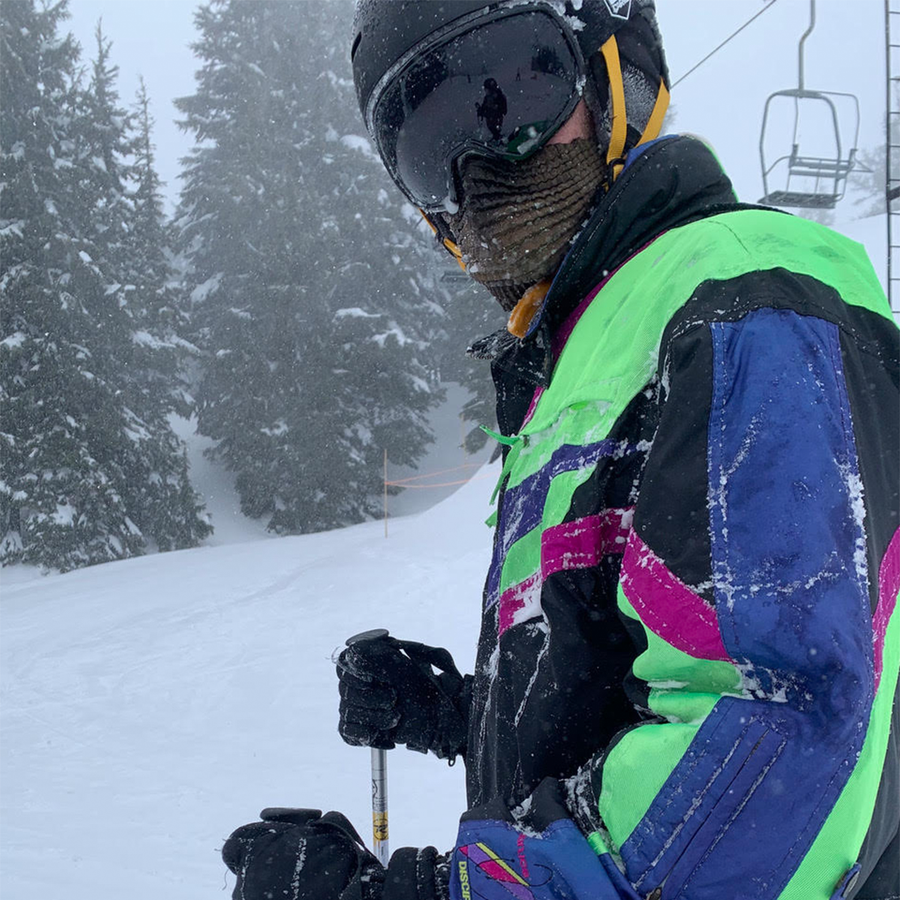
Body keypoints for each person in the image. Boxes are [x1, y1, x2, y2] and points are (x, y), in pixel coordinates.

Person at [222, 2, 900, 898]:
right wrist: (459, 714)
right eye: (428, 145)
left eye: (512, 94)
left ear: (620, 72)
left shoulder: (745, 307)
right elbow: (626, 686)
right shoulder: (593, 348)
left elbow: (768, 745)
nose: (476, 168)